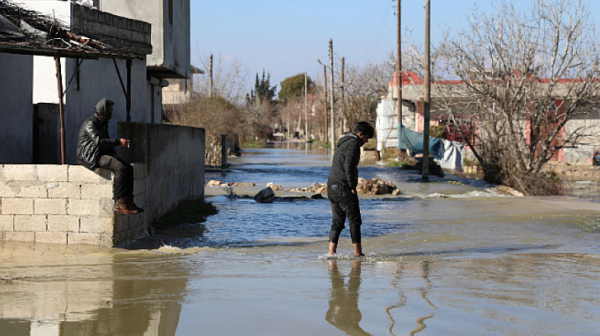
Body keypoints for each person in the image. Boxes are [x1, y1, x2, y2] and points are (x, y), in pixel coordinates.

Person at [76, 98, 143, 215]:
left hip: (101, 153)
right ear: (104, 110)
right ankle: (119, 202)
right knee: (120, 168)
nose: (112, 112)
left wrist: (112, 153)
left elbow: (105, 140)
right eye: (111, 110)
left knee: (128, 167)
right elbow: (98, 141)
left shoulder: (102, 124)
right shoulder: (91, 123)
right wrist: (118, 142)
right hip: (91, 156)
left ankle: (128, 200)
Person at [326, 121, 374, 257]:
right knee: (355, 220)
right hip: (343, 186)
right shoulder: (354, 144)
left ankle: (331, 253)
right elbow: (349, 166)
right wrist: (352, 186)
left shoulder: (343, 143)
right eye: (366, 138)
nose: (366, 141)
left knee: (337, 221)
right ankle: (358, 254)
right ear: (360, 134)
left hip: (331, 186)